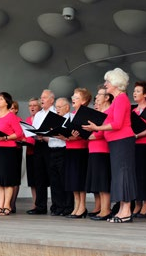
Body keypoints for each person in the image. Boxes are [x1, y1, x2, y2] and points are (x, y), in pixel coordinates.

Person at [83, 68, 137, 223]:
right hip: (116, 142)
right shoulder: (117, 99)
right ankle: (121, 210)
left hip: (122, 141)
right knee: (119, 175)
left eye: (107, 81)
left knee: (123, 174)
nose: (105, 84)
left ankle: (126, 211)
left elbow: (118, 123)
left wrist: (97, 128)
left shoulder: (121, 99)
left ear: (115, 83)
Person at [0, 92, 23, 216]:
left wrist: (6, 138)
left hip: (9, 149)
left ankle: (7, 205)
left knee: (8, 179)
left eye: (1, 99)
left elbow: (19, 133)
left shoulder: (11, 116)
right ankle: (0, 206)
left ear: (7, 102)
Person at [61, 88, 92, 219]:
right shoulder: (71, 114)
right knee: (72, 180)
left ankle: (82, 207)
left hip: (80, 150)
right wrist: (62, 135)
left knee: (79, 179)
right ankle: (76, 206)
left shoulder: (87, 114)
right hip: (69, 149)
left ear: (84, 101)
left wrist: (74, 136)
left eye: (77, 97)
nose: (73, 98)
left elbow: (86, 133)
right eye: (73, 96)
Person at [26, 89, 55, 215]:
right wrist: (34, 134)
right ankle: (40, 206)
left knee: (53, 177)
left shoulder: (55, 113)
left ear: (51, 100)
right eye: (41, 97)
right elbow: (34, 130)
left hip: (51, 146)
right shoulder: (38, 114)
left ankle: (56, 206)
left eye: (44, 97)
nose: (42, 99)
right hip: (38, 145)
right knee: (39, 177)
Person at [86, 87, 113, 221]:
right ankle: (102, 209)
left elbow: (102, 132)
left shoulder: (108, 112)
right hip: (93, 150)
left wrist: (88, 135)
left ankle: (106, 210)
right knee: (98, 182)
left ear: (107, 97)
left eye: (99, 95)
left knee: (103, 181)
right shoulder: (98, 112)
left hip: (103, 150)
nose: (96, 98)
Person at [48, 97, 73, 216]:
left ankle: (68, 206)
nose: (57, 109)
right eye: (56, 107)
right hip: (52, 150)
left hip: (64, 150)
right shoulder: (53, 119)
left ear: (67, 107)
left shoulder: (71, 118)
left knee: (65, 179)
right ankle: (57, 206)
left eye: (59, 107)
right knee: (54, 180)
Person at [132, 81, 146, 218]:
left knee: (144, 174)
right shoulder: (133, 110)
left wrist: (138, 135)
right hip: (133, 145)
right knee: (135, 174)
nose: (135, 93)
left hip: (145, 144)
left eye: (138, 91)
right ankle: (137, 203)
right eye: (134, 91)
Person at [24, 98, 40, 210]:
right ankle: (35, 203)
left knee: (40, 179)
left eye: (35, 105)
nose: (32, 107)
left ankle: (40, 203)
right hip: (29, 151)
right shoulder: (27, 120)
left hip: (39, 150)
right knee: (32, 180)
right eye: (30, 105)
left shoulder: (41, 118)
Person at [9, 100, 22, 213]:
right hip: (7, 149)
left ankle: (13, 203)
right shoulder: (5, 118)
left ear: (16, 110)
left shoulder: (19, 121)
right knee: (8, 176)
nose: (11, 110)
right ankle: (7, 202)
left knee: (15, 177)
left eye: (13, 108)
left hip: (17, 149)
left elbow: (23, 135)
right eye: (9, 108)